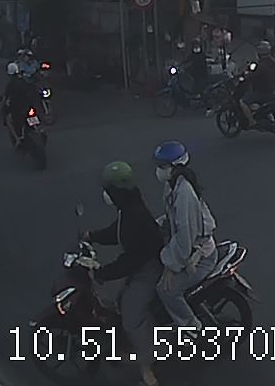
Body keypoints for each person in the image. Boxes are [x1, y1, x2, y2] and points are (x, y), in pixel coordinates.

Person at [84, 161, 165, 386]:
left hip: (148, 269)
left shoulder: (133, 215)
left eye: (109, 189)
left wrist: (102, 273)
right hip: (144, 262)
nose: (106, 194)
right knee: (121, 302)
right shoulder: (130, 206)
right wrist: (93, 236)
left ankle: (147, 367)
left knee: (132, 317)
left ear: (116, 191)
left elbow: (130, 261)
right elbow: (119, 231)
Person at [153, 140, 217, 332]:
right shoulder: (172, 186)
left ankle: (192, 329)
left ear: (175, 166)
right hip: (189, 250)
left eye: (162, 166)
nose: (159, 170)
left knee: (166, 290)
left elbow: (185, 235)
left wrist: (171, 266)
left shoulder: (184, 193)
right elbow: (172, 218)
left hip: (200, 256)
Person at [237, 41, 275, 129]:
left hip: (261, 91)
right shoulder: (271, 61)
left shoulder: (261, 65)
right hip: (270, 89)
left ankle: (252, 121)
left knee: (243, 102)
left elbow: (251, 76)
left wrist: (246, 75)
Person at [2, 61, 39, 148]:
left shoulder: (10, 84)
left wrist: (1, 106)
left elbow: (5, 97)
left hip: (17, 110)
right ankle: (37, 129)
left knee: (8, 119)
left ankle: (17, 139)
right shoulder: (24, 80)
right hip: (29, 106)